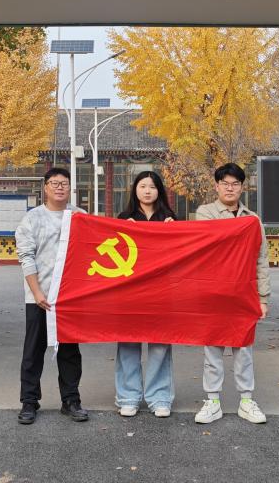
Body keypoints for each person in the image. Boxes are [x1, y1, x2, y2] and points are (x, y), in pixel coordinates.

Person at [193, 162, 270, 425]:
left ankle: (246, 400)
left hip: (243, 293)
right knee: (212, 349)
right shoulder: (205, 213)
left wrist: (263, 298)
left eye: (235, 184)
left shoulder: (253, 219)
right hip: (213, 292)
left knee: (243, 348)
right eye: (225, 183)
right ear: (216, 186)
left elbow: (261, 258)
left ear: (242, 187)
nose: (230, 188)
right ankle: (212, 401)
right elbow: (211, 246)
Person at [14, 167, 88, 425]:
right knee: (33, 351)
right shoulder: (32, 219)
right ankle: (29, 402)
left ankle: (71, 400)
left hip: (69, 298)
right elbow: (26, 257)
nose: (59, 187)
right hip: (40, 297)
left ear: (70, 188)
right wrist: (37, 292)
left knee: (69, 351)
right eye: (54, 183)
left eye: (64, 183)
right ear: (45, 187)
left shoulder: (80, 217)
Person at [114, 170, 177, 418]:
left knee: (160, 344)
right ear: (135, 190)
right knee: (128, 343)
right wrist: (123, 231)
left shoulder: (170, 218)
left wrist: (175, 232)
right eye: (142, 186)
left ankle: (160, 397)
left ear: (159, 190)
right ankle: (128, 397)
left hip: (161, 291)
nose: (147, 191)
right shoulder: (124, 218)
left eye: (152, 186)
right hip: (130, 292)